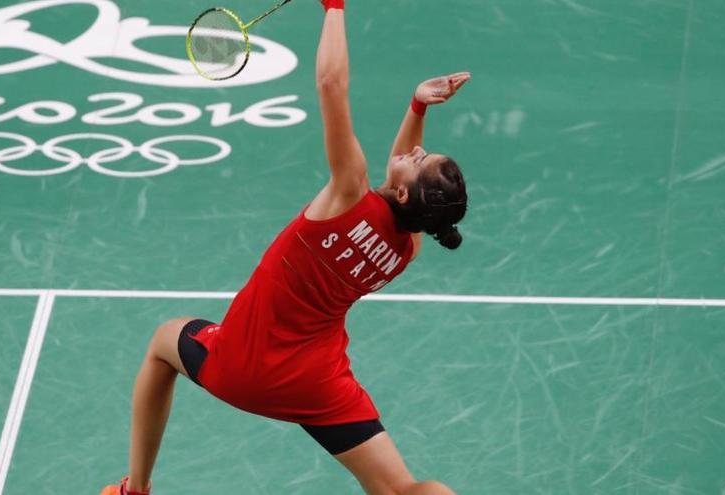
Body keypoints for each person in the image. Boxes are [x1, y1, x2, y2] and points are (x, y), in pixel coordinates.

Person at [101, 1, 469, 494]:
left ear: (405, 192)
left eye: (421, 160)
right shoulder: (405, 250)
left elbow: (331, 85)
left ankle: (135, 490)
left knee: (163, 342)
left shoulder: (346, 194)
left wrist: (334, 7)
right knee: (406, 489)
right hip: (318, 387)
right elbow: (400, 178)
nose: (417, 151)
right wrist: (416, 106)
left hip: (242, 366)